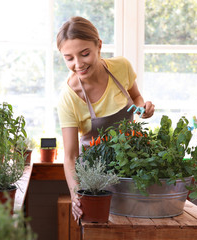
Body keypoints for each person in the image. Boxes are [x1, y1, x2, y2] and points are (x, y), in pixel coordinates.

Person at [56, 16, 155, 221]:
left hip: (131, 167)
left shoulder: (121, 67)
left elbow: (135, 98)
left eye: (84, 54)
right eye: (69, 58)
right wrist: (76, 194)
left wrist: (142, 110)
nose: (78, 64)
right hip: (96, 181)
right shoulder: (68, 98)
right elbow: (71, 156)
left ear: (99, 46)